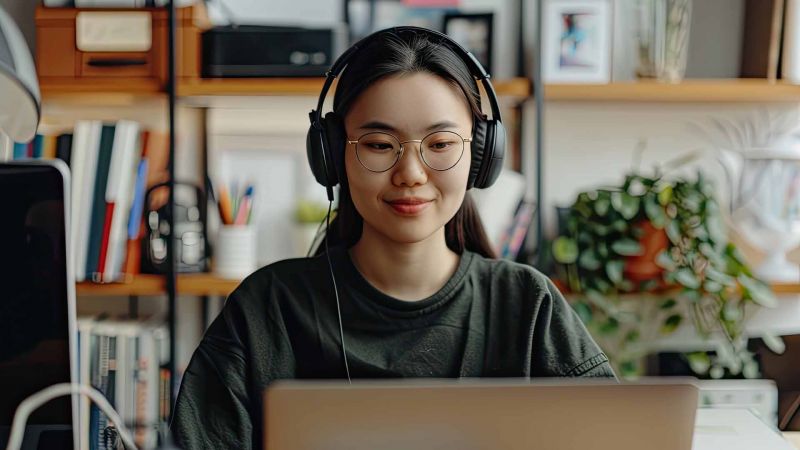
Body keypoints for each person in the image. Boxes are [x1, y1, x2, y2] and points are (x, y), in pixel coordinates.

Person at [171, 27, 615, 449]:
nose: (410, 174)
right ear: (331, 156)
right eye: (380, 144)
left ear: (481, 156)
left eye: (440, 144)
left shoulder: (527, 305)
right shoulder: (268, 309)